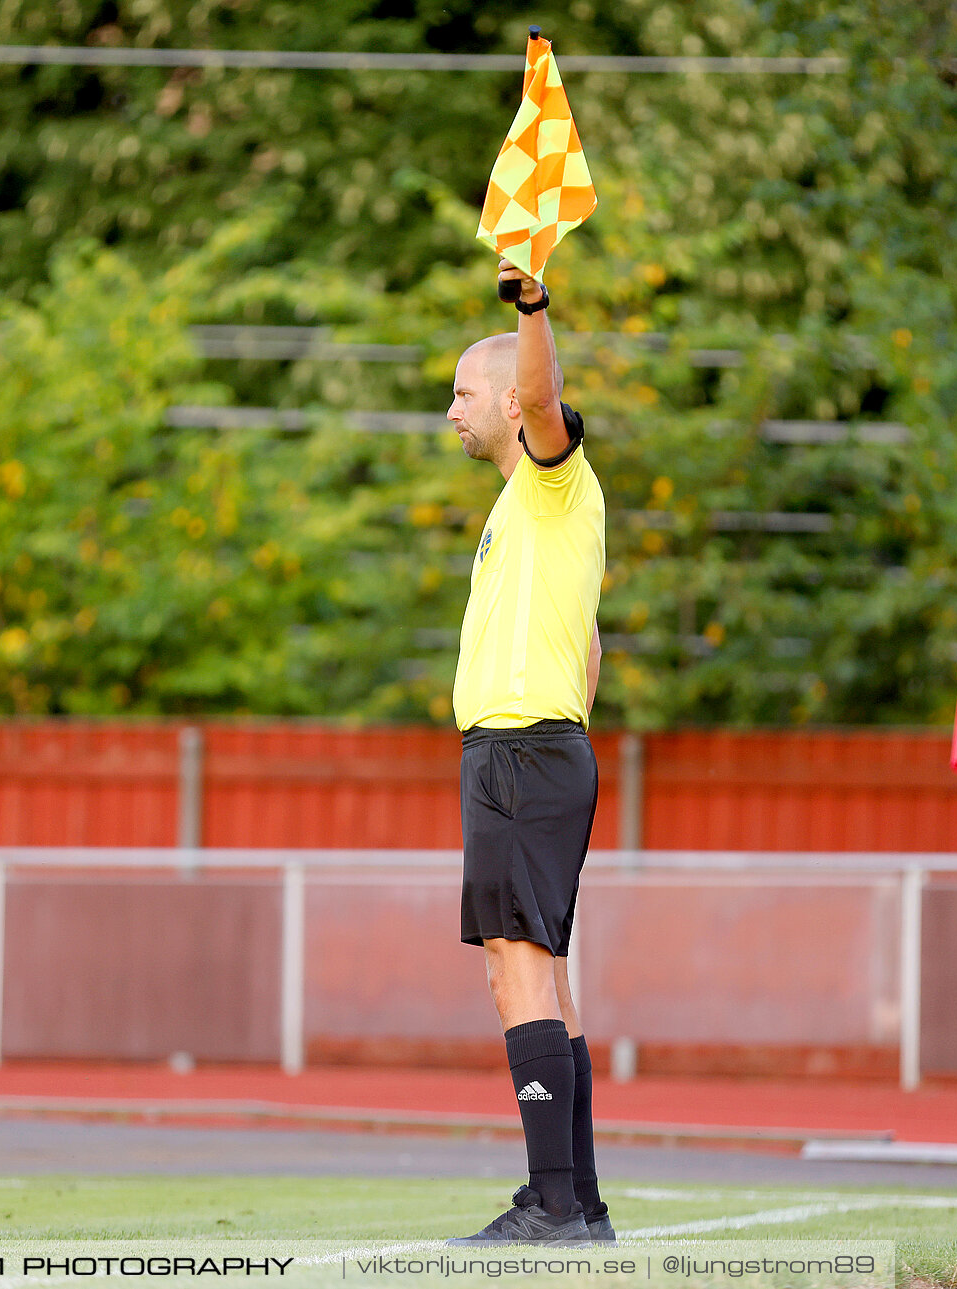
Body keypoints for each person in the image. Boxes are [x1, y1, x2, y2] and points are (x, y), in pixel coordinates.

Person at [444, 260, 611, 1245]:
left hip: (523, 754)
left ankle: (551, 1202)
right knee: (543, 971)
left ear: (513, 401)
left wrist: (533, 304)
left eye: (464, 393)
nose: (450, 412)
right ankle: (579, 1205)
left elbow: (547, 391)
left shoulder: (551, 475)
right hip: (536, 753)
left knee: (517, 964)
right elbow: (591, 645)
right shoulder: (521, 509)